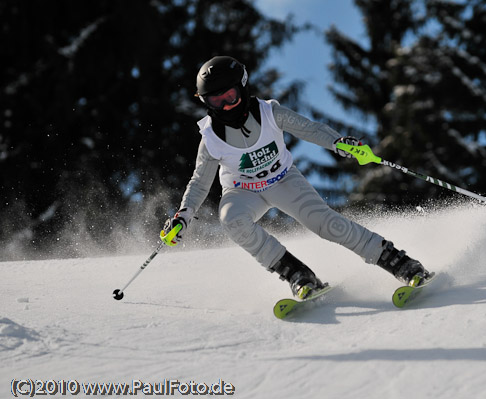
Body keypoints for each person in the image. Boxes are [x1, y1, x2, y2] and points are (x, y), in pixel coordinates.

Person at [161, 55, 430, 299]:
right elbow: (200, 181)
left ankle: (401, 264)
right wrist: (183, 215)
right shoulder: (210, 138)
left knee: (326, 224)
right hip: (242, 192)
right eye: (215, 101)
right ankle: (298, 275)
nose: (226, 107)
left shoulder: (269, 113)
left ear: (242, 87)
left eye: (230, 96)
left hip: (283, 179)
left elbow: (310, 130)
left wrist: (340, 143)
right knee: (231, 219)